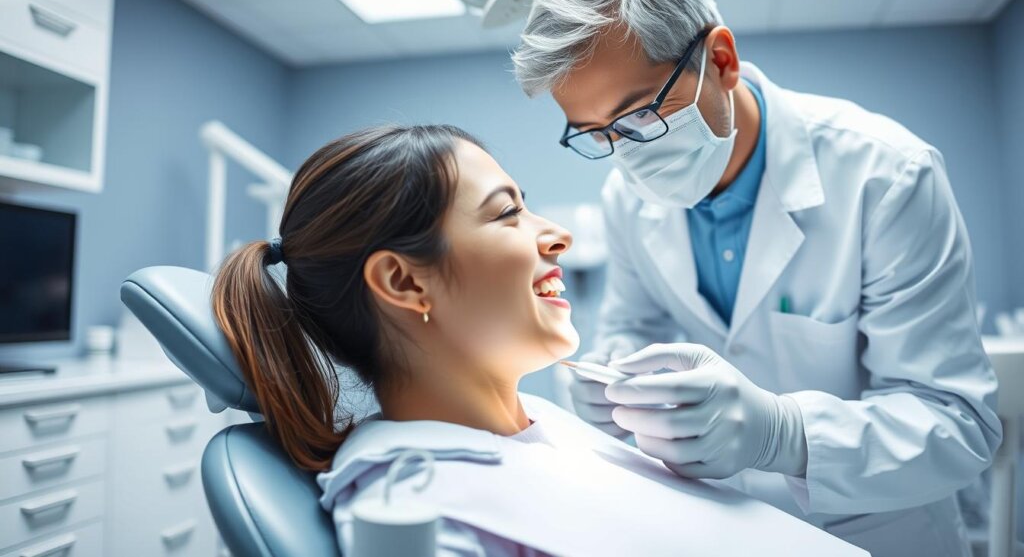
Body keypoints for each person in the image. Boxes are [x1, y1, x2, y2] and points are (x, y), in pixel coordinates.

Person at [510, 0, 1002, 555]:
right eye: (596, 135)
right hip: (726, 527)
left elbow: (957, 425)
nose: (626, 158)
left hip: (880, 531)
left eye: (639, 117)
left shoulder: (886, 175)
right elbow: (630, 329)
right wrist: (612, 381)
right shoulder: (628, 200)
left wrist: (784, 434)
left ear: (720, 61)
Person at [209, 125, 865, 557]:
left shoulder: (534, 424)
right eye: (506, 213)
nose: (557, 236)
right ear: (404, 280)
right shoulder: (417, 507)